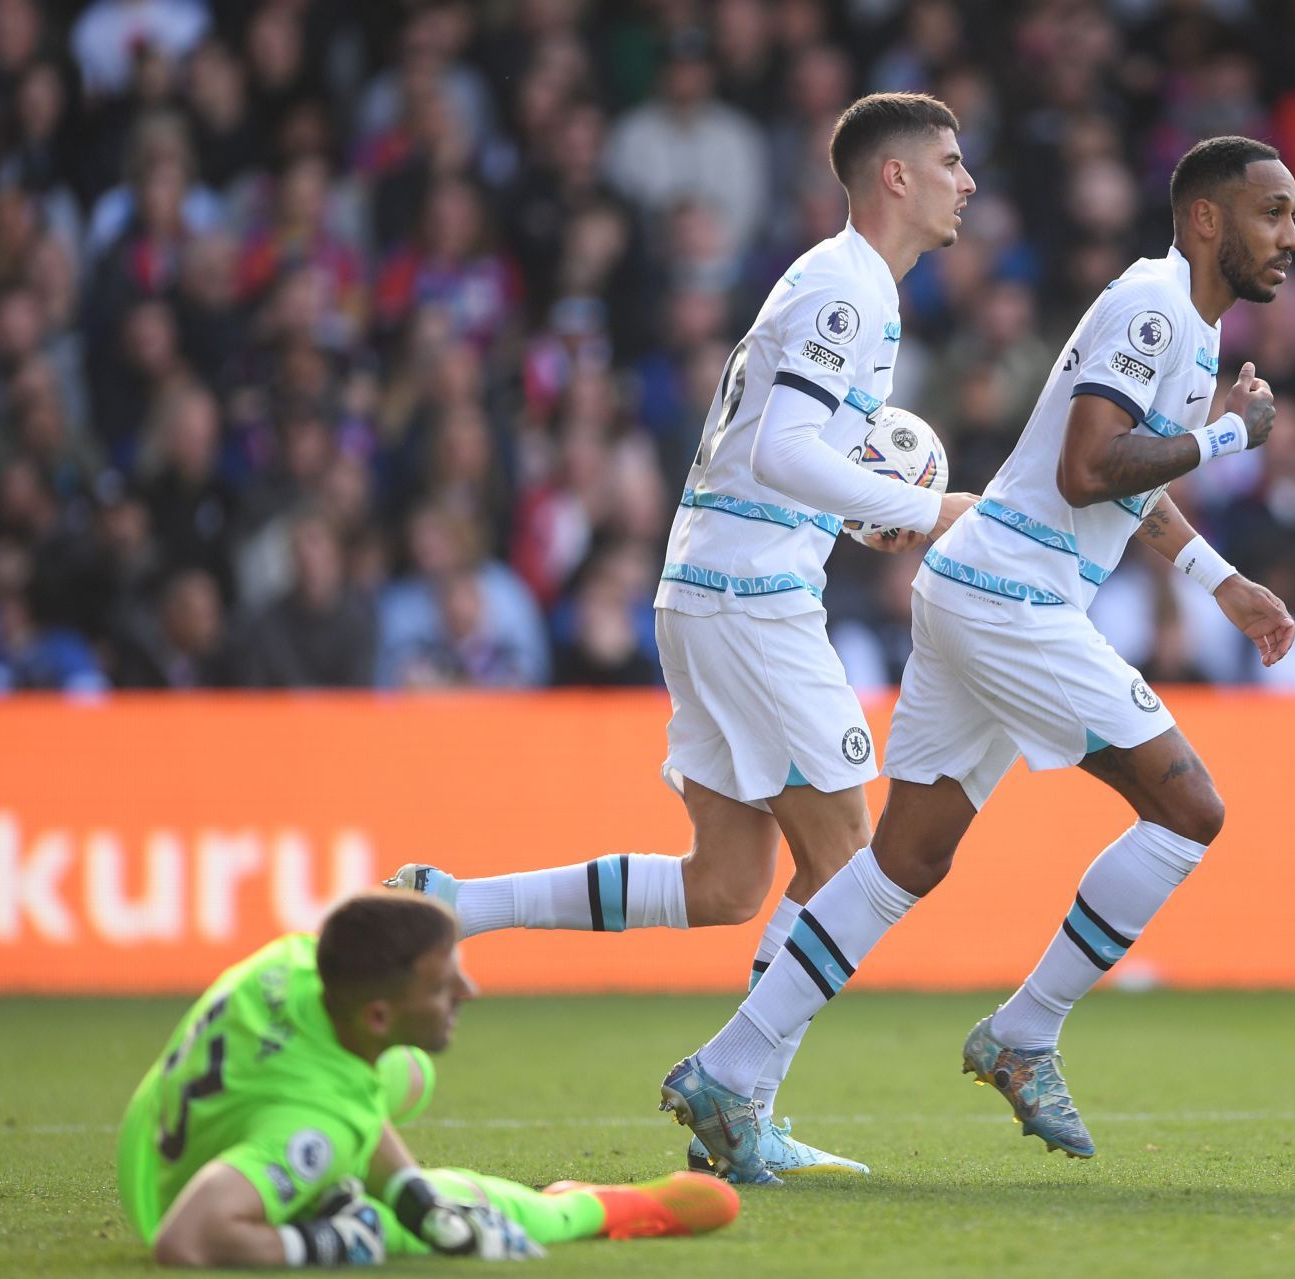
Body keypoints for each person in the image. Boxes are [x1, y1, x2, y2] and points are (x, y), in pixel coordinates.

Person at [659, 136, 1295, 1181]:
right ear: (1207, 221)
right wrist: (1228, 437)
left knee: (905, 858)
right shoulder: (1155, 311)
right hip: (1014, 593)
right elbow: (1088, 464)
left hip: (977, 586)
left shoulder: (1179, 326)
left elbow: (1130, 478)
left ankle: (729, 1070)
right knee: (1190, 810)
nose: (1293, 236)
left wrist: (1217, 578)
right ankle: (1026, 1031)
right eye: (1272, 213)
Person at [385, 92, 979, 1182]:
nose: (967, 182)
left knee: (727, 883)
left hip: (706, 584)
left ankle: (455, 903)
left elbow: (783, 452)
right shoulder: (849, 288)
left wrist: (863, 511)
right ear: (893, 176)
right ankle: (736, 1094)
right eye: (949, 162)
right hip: (753, 598)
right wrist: (928, 510)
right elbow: (788, 454)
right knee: (856, 861)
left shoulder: (833, 284)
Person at [116, 892, 737, 1268]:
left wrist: (410, 1190)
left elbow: (344, 1097)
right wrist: (330, 1244)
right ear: (379, 1014)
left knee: (411, 1073)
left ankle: (398, 1189)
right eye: (443, 988)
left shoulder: (295, 960)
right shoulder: (316, 1126)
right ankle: (590, 1207)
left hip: (170, 1132)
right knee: (448, 1213)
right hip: (201, 1199)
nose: (469, 991)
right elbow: (185, 1240)